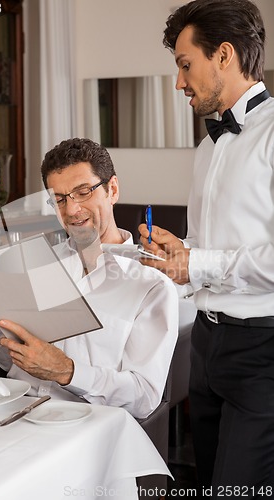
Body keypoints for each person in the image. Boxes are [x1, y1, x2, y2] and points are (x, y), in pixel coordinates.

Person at [138, 0, 274, 496]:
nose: (179, 82)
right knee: (212, 482)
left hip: (263, 348)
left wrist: (200, 261)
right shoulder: (208, 147)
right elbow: (212, 249)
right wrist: (182, 252)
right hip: (206, 345)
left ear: (223, 55)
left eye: (184, 64)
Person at [0, 138, 178, 420]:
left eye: (83, 192)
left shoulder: (151, 284)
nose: (70, 210)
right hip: (15, 415)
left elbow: (144, 397)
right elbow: (10, 363)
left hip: (87, 429)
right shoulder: (36, 264)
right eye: (59, 199)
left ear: (112, 189)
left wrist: (67, 371)